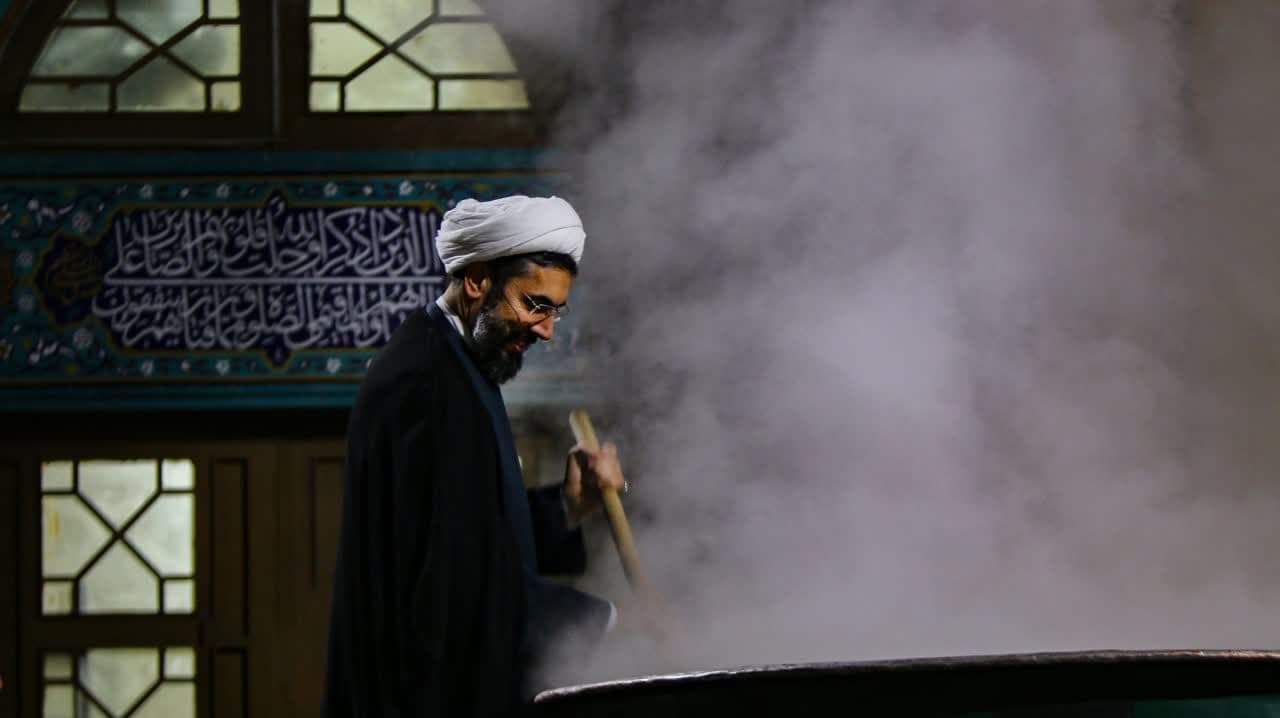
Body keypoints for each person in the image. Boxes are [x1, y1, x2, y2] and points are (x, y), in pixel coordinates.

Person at [322, 195, 627, 717]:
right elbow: (460, 591)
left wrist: (567, 505)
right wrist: (611, 622)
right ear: (478, 280)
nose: (547, 330)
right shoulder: (429, 384)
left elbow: (475, 539)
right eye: (535, 304)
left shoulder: (454, 365)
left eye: (555, 311)